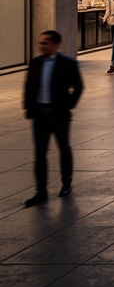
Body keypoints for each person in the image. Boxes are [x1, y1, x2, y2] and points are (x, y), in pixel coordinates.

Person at [23, 31, 84, 205]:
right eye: (41, 43)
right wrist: (28, 107)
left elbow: (78, 87)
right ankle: (41, 190)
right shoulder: (35, 63)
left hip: (58, 114)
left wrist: (68, 105)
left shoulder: (67, 64)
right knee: (40, 152)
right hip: (40, 115)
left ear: (56, 45)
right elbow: (28, 87)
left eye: (46, 43)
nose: (42, 46)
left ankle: (66, 183)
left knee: (64, 148)